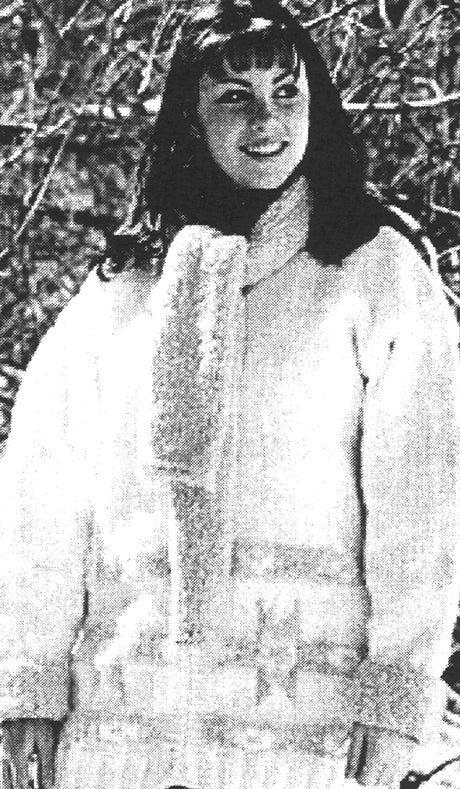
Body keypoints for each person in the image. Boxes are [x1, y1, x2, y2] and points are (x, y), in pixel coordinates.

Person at [1, 1, 460, 788]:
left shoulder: (374, 272)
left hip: (308, 735)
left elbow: (426, 501)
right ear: (192, 116)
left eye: (287, 91)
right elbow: (40, 501)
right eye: (235, 97)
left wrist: (398, 690)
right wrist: (25, 684)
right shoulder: (123, 289)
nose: (266, 119)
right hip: (123, 729)